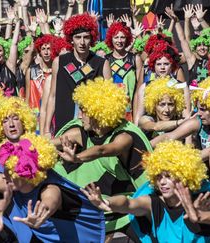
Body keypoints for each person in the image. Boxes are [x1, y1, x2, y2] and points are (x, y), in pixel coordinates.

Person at [82, 140, 210, 242]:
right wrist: (107, 203)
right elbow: (128, 203)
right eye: (158, 176)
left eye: (168, 176)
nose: (163, 182)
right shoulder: (153, 202)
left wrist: (204, 216)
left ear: (184, 176)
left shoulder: (205, 199)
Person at [0, 96, 105, 242]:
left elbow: (52, 193)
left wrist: (43, 211)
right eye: (5, 120)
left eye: (15, 118)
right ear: (0, 126)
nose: (11, 124)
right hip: (20, 217)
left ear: (24, 120)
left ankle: (40, 216)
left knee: (51, 190)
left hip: (47, 211)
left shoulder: (40, 144)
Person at [53, 78, 152, 241]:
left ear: (97, 114)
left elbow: (103, 150)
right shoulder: (82, 130)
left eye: (83, 110)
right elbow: (52, 142)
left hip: (136, 203)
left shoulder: (125, 135)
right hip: (104, 208)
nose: (80, 115)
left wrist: (77, 158)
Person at [43, 13, 112, 136]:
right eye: (78, 37)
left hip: (92, 127)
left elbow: (109, 100)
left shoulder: (101, 64)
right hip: (64, 124)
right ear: (71, 39)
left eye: (86, 37)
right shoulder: (59, 62)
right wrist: (47, 129)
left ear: (92, 39)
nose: (82, 42)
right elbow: (52, 96)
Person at [151, 78, 210, 169]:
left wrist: (177, 161)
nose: (198, 113)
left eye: (202, 109)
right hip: (209, 175)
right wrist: (145, 147)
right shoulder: (199, 121)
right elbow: (169, 136)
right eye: (197, 108)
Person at [105, 22, 143, 121]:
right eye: (116, 37)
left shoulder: (135, 59)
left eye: (122, 37)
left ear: (127, 39)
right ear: (111, 39)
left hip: (131, 109)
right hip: (111, 109)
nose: (119, 40)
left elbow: (140, 89)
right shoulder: (105, 60)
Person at [25, 34, 56, 134]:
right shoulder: (31, 70)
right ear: (39, 51)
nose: (46, 52)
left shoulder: (56, 71)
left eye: (49, 49)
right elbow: (27, 97)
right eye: (43, 49)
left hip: (52, 116)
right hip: (35, 116)